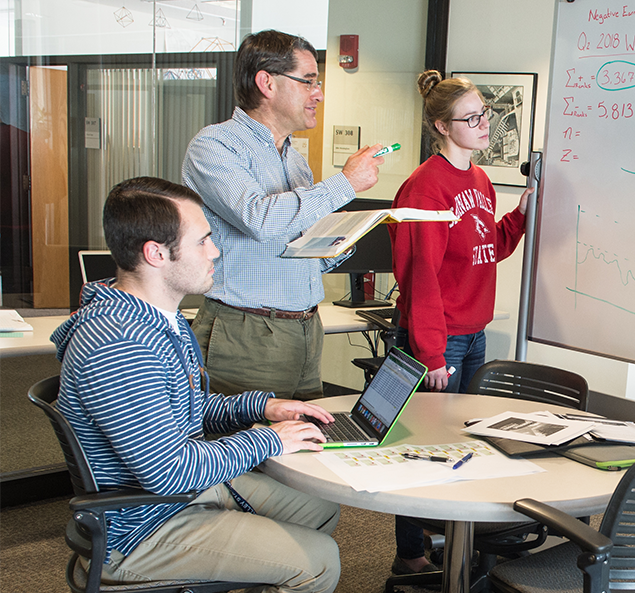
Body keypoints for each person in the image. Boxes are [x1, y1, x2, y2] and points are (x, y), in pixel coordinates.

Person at [52, 176, 340, 592]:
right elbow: (170, 473)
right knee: (319, 562)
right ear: (156, 254)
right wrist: (270, 441)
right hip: (142, 527)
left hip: (177, 495)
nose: (215, 251)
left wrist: (261, 409)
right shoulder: (119, 344)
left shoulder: (158, 320)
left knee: (319, 509)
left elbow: (183, 406)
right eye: (203, 240)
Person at [183, 29, 385, 400]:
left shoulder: (294, 158)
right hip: (247, 331)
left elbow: (295, 247)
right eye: (308, 81)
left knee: (303, 444)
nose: (319, 94)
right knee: (246, 449)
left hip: (306, 329)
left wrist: (342, 239)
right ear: (267, 83)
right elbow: (260, 220)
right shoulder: (214, 146)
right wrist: (344, 183)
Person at [386, 70, 532, 574]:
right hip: (437, 340)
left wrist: (520, 215)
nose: (483, 125)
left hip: (472, 334)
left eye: (484, 115)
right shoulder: (424, 188)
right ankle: (410, 554)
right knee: (420, 447)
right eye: (470, 119)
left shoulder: (479, 178)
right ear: (441, 126)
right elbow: (418, 275)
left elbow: (488, 248)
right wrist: (430, 351)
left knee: (466, 442)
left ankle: (453, 542)